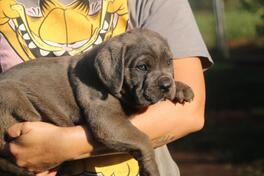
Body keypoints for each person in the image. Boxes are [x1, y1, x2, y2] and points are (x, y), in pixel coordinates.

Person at [0, 0, 213, 175]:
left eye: (167, 63)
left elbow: (190, 113)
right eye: (142, 66)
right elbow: (106, 124)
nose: (165, 79)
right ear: (112, 70)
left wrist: (62, 145)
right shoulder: (98, 85)